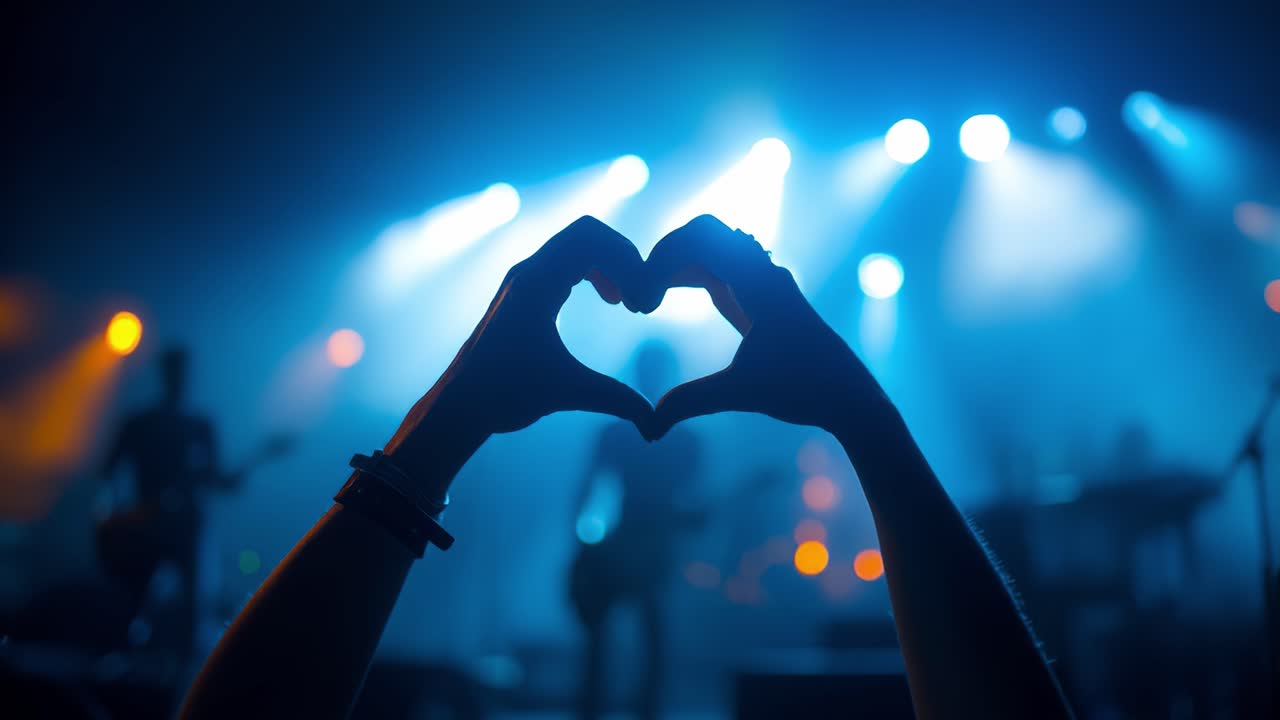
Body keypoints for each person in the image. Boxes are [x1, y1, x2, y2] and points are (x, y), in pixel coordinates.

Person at [180, 215, 1075, 719]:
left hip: (638, 549)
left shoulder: (667, 442)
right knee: (626, 640)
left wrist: (438, 432)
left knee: (637, 641)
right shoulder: (647, 437)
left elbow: (639, 501)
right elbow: (592, 497)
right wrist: (869, 425)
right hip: (627, 551)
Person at [569, 340, 702, 720]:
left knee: (633, 638)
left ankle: (602, 710)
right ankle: (630, 711)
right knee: (645, 638)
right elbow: (588, 490)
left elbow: (586, 491)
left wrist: (583, 544)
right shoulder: (683, 440)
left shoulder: (620, 434)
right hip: (636, 545)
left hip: (634, 545)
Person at [97, 346, 240, 657]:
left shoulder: (191, 425)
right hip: (159, 526)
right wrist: (118, 518)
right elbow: (107, 474)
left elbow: (215, 479)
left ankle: (156, 670)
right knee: (141, 603)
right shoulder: (149, 423)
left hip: (176, 527)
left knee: (183, 608)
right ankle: (135, 666)